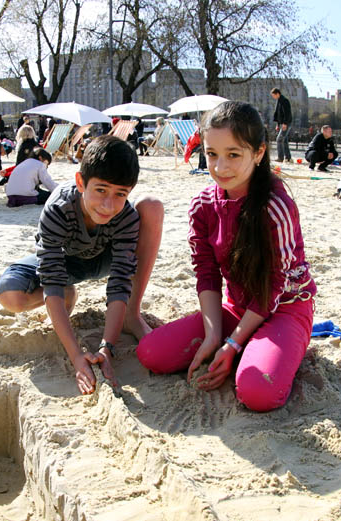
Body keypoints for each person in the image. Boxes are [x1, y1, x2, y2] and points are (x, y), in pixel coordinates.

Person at [136, 101, 316, 412]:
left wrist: (231, 344)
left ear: (258, 153)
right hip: (237, 306)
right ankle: (250, 347)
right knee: (151, 353)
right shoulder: (203, 204)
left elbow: (273, 286)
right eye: (211, 154)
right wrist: (212, 335)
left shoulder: (276, 208)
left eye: (233, 154)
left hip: (285, 307)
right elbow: (206, 272)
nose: (220, 168)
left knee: (257, 393)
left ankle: (265, 348)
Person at [0, 135, 164, 394]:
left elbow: (119, 282)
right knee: (10, 295)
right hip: (66, 262)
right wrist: (76, 356)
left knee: (152, 206)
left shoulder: (125, 216)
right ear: (81, 182)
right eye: (101, 190)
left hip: (104, 258)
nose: (108, 205)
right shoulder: (58, 207)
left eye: (120, 194)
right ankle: (69, 293)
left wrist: (107, 347)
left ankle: (133, 315)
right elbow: (50, 279)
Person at [270, 88, 292, 163]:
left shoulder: (284, 101)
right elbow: (278, 114)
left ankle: (280, 157)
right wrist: (277, 124)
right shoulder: (279, 101)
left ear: (277, 94)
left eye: (274, 95)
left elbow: (287, 113)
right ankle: (288, 157)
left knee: (279, 139)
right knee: (284, 140)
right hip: (282, 123)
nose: (273, 97)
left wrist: (285, 123)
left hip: (286, 123)